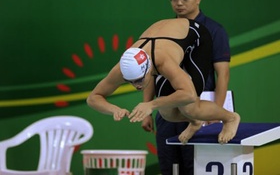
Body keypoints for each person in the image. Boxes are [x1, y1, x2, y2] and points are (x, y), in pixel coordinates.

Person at [87, 18, 240, 149]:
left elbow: (189, 94)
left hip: (195, 38)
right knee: (167, 113)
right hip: (165, 40)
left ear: (149, 68)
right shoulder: (123, 67)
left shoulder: (162, 61)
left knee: (190, 107)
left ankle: (230, 118)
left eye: (140, 80)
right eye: (130, 82)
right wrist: (112, 109)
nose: (137, 86)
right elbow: (93, 97)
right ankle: (196, 122)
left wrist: (151, 105)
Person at [141, 0, 231, 174]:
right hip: (166, 110)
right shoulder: (161, 31)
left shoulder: (214, 30)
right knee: (168, 166)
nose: (179, 3)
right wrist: (147, 107)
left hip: (197, 107)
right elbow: (149, 71)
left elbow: (222, 74)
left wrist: (216, 111)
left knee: (194, 167)